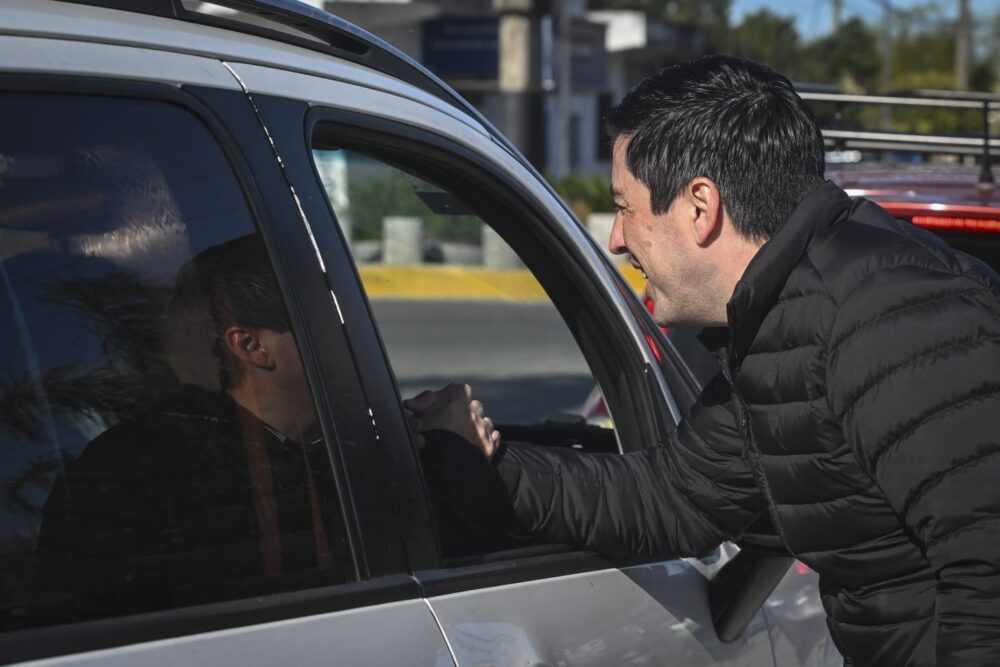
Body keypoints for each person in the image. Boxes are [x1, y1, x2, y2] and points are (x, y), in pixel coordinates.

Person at [407, 55, 1000, 666]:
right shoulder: (781, 322)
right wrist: (485, 464)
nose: (616, 237)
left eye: (625, 206)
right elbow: (678, 498)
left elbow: (987, 576)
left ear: (699, 206)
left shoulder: (897, 316)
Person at [32, 234, 499, 624]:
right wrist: (459, 463)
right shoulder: (135, 478)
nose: (355, 338)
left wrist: (447, 453)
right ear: (252, 346)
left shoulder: (348, 442)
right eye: (329, 323)